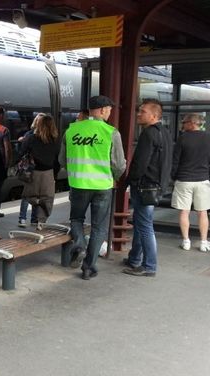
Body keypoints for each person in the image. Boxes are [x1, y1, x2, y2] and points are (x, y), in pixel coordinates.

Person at [59, 95, 126, 280]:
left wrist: (77, 170)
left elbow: (62, 160)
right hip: (102, 186)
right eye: (110, 110)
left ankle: (79, 245)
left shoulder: (71, 130)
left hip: (78, 184)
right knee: (99, 227)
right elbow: (119, 164)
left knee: (76, 219)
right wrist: (114, 177)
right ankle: (88, 268)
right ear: (103, 110)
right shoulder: (111, 132)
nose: (110, 113)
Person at [122, 99, 172, 277]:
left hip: (144, 186)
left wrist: (128, 181)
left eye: (142, 111)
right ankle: (134, 258)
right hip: (155, 187)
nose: (138, 114)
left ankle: (149, 265)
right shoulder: (165, 133)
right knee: (140, 223)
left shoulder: (148, 134)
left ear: (154, 115)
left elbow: (140, 164)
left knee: (144, 226)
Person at [171, 113, 210, 252]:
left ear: (192, 123)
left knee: (184, 212)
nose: (182, 126)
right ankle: (203, 242)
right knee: (202, 212)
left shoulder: (182, 139)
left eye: (184, 123)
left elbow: (175, 161)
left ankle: (186, 241)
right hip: (202, 180)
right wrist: (209, 177)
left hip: (184, 180)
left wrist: (174, 177)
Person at [19, 114, 60, 229]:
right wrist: (54, 175)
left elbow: (21, 153)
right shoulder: (55, 140)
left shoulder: (31, 138)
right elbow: (57, 160)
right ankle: (41, 221)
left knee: (29, 196)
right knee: (47, 199)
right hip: (48, 173)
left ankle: (35, 205)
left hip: (33, 173)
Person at [17, 112, 46, 227]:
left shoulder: (29, 135)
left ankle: (26, 218)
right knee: (33, 194)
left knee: (29, 194)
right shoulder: (43, 136)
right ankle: (29, 218)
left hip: (30, 168)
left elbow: (22, 151)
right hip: (37, 168)